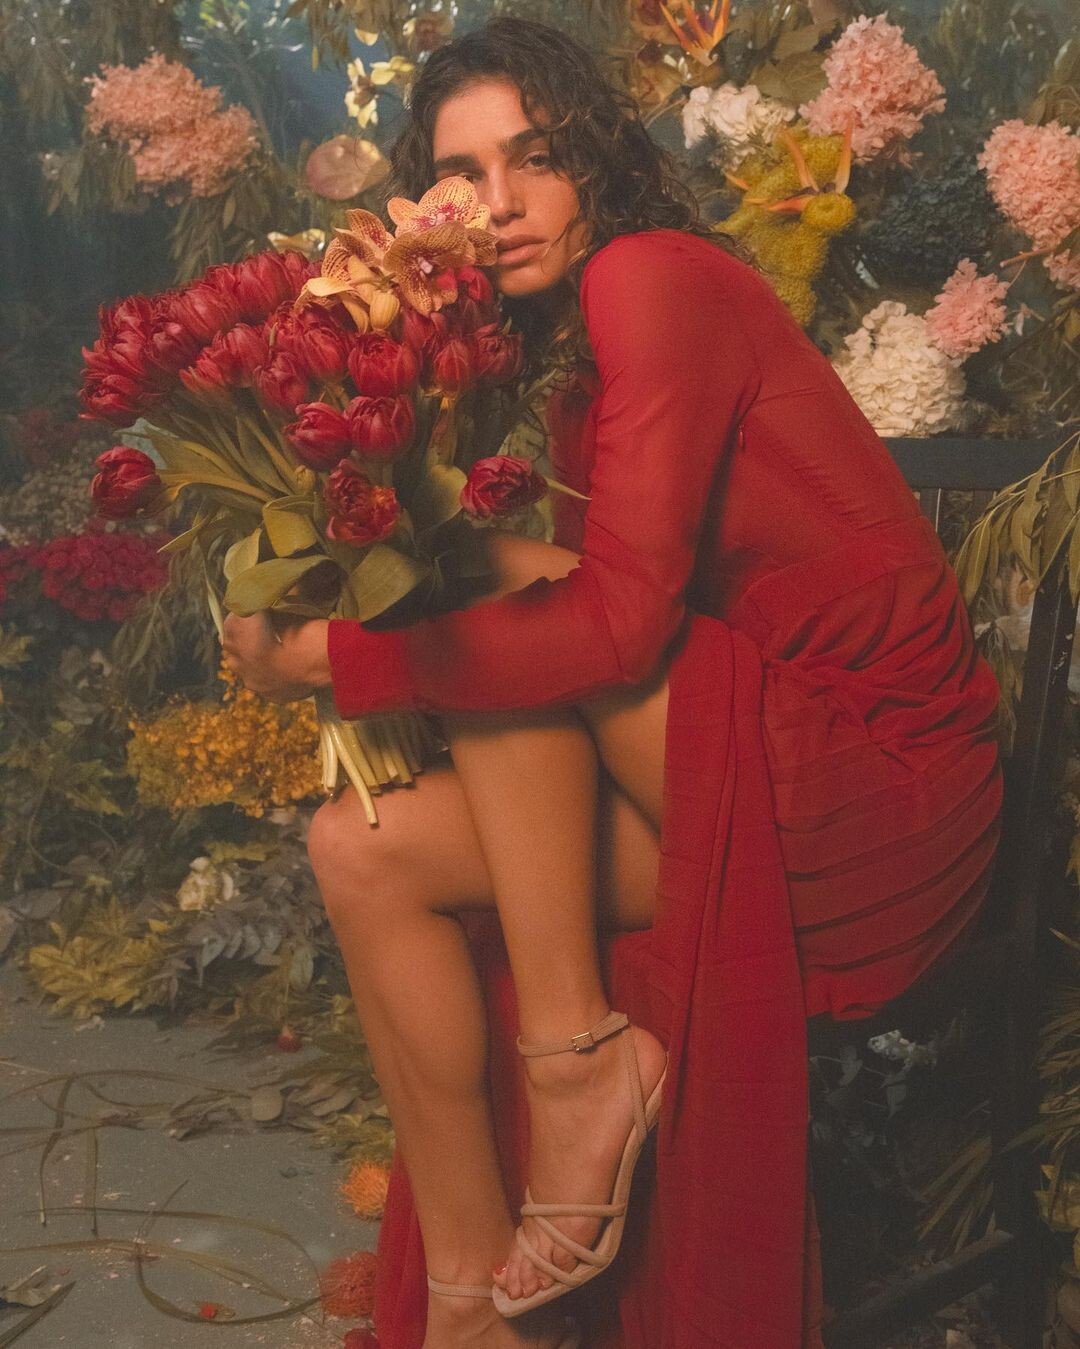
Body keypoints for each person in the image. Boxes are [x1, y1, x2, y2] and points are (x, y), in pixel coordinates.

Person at [221, 17, 1003, 1349]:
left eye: (537, 157)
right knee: (362, 849)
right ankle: (471, 1307)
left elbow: (614, 629)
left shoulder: (653, 275)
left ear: (598, 161)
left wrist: (332, 660)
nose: (501, 203)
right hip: (730, 770)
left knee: (495, 577)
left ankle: (576, 1061)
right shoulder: (565, 348)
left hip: (876, 795)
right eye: (463, 175)